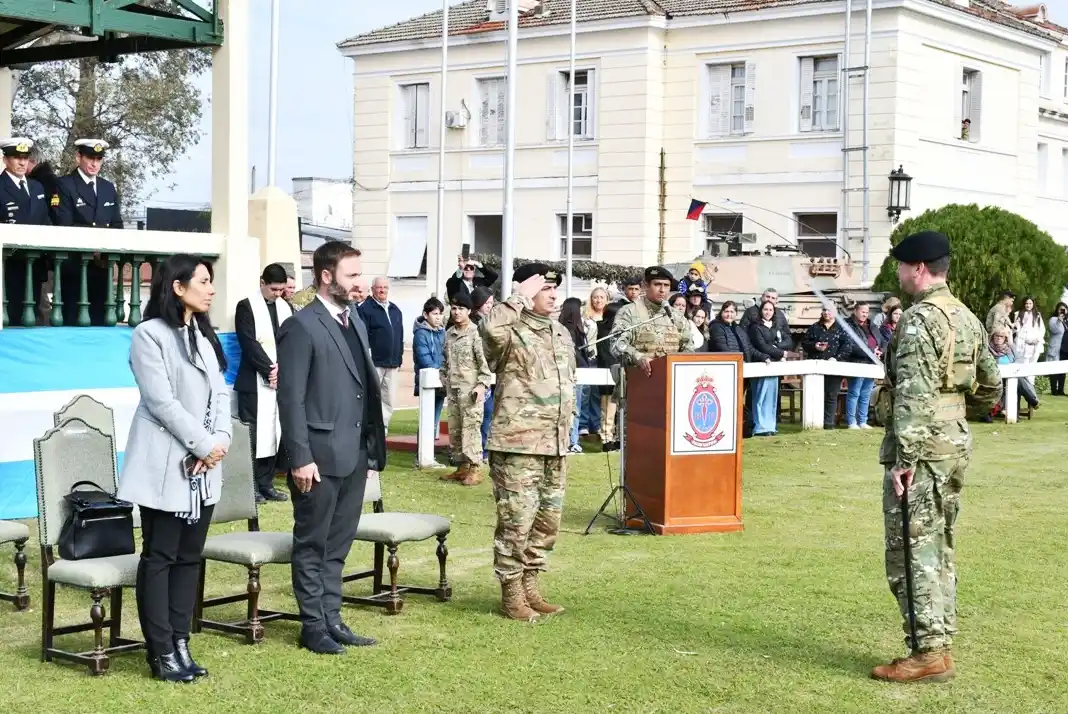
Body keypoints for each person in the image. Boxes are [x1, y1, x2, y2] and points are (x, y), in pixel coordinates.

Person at [872, 230, 1001, 684]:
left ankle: (927, 651)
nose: (898, 273)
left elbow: (913, 395)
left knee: (912, 548)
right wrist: (957, 412)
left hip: (923, 451)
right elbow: (991, 384)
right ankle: (939, 644)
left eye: (901, 266)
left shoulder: (918, 320)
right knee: (939, 542)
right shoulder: (966, 316)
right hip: (953, 444)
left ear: (919, 268)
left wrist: (905, 461)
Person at [118, 254, 231, 682]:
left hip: (203, 470)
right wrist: (203, 444)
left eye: (211, 281)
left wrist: (220, 441)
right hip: (166, 466)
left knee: (189, 558)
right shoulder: (149, 335)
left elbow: (222, 394)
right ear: (178, 287)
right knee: (161, 556)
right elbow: (162, 402)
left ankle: (181, 642)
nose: (211, 289)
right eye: (203, 281)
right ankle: (161, 651)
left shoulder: (202, 334)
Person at [277, 240, 386, 655]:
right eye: (351, 275)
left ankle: (332, 619)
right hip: (317, 457)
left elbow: (363, 388)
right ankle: (312, 626)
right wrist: (300, 457)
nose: (360, 283)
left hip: (354, 452)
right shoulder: (302, 326)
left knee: (338, 544)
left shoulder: (354, 320)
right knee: (312, 543)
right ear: (326, 276)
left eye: (360, 274)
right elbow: (290, 398)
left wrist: (370, 449)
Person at [481, 263, 575, 621]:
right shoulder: (509, 328)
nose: (552, 295)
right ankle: (511, 593)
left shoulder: (560, 332)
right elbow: (489, 329)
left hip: (555, 444)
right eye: (544, 288)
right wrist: (517, 297)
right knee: (516, 523)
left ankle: (531, 587)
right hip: (517, 444)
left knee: (546, 523)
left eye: (554, 289)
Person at [233, 263, 292, 503]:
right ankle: (250, 485)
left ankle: (266, 483)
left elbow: (290, 339)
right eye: (273, 289)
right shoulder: (246, 306)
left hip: (279, 380)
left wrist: (283, 368)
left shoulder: (286, 307)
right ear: (262, 283)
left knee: (273, 433)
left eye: (281, 290)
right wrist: (270, 370)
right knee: (254, 435)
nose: (278, 294)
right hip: (253, 382)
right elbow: (249, 343)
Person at [53, 139, 124, 326]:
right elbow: (64, 225)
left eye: (99, 159)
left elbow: (117, 225)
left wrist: (105, 251)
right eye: (90, 158)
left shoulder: (107, 187)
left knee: (100, 322)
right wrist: (94, 248)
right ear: (78, 157)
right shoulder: (64, 185)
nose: (94, 164)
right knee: (72, 321)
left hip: (101, 267)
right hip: (74, 268)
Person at [442, 292, 493, 485]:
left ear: (469, 311)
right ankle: (462, 467)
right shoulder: (449, 333)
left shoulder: (476, 333)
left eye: (461, 309)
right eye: (454, 308)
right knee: (455, 429)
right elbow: (444, 360)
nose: (456, 312)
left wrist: (481, 385)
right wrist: (443, 376)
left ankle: (475, 468)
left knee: (471, 429)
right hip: (453, 390)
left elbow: (485, 366)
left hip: (471, 392)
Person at [1, 138, 52, 327]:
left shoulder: (36, 186)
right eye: (17, 158)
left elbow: (45, 220)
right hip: (10, 264)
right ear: (5, 159)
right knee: (12, 316)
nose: (22, 163)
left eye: (25, 158)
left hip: (35, 262)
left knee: (34, 316)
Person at [611, 267, 693, 378]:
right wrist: (639, 358)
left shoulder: (677, 317)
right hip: (637, 380)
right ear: (646, 286)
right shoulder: (629, 312)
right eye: (657, 284)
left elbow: (688, 347)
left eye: (666, 285)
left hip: (669, 379)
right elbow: (617, 344)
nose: (662, 290)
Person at [357, 277, 404, 432]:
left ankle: (383, 430)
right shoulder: (365, 309)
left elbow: (400, 335)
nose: (382, 290)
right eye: (379, 287)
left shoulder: (395, 310)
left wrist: (399, 357)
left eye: (385, 287)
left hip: (393, 363)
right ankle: (369, 429)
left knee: (389, 398)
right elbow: (362, 336)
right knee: (372, 397)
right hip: (375, 363)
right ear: (372, 289)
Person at [747, 300, 792, 436]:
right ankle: (760, 427)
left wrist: (777, 348)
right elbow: (761, 345)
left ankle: (770, 426)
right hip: (761, 363)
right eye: (765, 309)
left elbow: (787, 341)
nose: (768, 312)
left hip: (774, 364)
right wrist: (781, 353)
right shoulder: (755, 327)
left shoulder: (775, 326)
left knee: (771, 397)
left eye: (770, 310)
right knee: (760, 395)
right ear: (761, 310)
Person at [802, 304, 849, 429]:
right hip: (816, 367)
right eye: (824, 309)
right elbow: (805, 343)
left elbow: (847, 346)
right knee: (816, 395)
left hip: (834, 367)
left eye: (829, 310)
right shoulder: (814, 327)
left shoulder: (842, 328)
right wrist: (815, 346)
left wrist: (836, 358)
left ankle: (828, 423)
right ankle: (814, 423)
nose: (826, 312)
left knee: (831, 395)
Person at [412, 297, 447, 464]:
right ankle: (423, 456)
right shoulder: (420, 334)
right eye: (435, 314)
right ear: (426, 315)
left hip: (441, 382)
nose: (438, 317)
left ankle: (429, 453)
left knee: (435, 419)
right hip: (428, 381)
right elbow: (424, 358)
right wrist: (439, 371)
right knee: (428, 419)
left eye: (440, 314)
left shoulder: (443, 332)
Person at [559, 296, 595, 454]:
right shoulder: (569, 329)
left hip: (579, 371)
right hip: (574, 372)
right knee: (575, 407)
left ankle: (572, 440)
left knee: (576, 407)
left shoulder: (576, 328)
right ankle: (571, 441)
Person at [842, 303, 882, 429]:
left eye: (867, 312)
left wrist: (880, 351)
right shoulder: (849, 325)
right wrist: (871, 352)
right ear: (855, 311)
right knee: (854, 392)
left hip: (871, 363)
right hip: (857, 363)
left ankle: (862, 421)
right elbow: (851, 344)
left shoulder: (871, 325)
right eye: (862, 312)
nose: (865, 314)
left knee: (866, 393)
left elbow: (880, 341)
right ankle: (851, 422)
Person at [1011, 297, 1044, 387]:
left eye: (1030, 303)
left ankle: (1030, 386)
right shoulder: (1018, 314)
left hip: (1034, 343)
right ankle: (1021, 386)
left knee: (1032, 365)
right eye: (1026, 303)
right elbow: (1016, 329)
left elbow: (1041, 329)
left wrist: (1037, 339)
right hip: (1022, 344)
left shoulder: (1037, 315)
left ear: (1033, 304)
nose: (1028, 305)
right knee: (1022, 364)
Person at [1047, 302, 1067, 396]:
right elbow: (1053, 330)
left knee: (1062, 369)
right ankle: (1054, 390)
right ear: (1057, 310)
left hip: (1064, 349)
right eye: (1060, 309)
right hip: (1055, 347)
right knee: (1054, 368)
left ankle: (1061, 390)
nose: (1062, 311)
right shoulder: (1053, 319)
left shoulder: (1066, 321)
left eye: (1064, 309)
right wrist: (1059, 320)